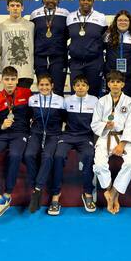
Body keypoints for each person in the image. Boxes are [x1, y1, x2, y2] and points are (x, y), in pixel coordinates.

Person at [0, 66, 32, 220]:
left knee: (16, 155)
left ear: (17, 80)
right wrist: (1, 126)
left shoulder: (27, 94)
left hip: (20, 134)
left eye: (12, 79)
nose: (10, 82)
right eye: (7, 79)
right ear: (2, 81)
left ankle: (7, 194)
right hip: (1, 134)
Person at [49, 74, 99, 215]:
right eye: (77, 85)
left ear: (88, 87)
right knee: (58, 156)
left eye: (83, 85)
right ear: (73, 87)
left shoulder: (95, 101)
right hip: (68, 136)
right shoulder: (67, 101)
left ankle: (88, 193)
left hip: (85, 137)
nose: (80, 87)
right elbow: (62, 119)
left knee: (89, 156)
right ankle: (55, 196)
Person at [91, 70, 131, 214]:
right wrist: (105, 125)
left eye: (118, 82)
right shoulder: (101, 101)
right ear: (108, 84)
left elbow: (130, 125)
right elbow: (94, 124)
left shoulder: (129, 101)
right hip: (105, 137)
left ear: (123, 84)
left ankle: (113, 193)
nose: (115, 84)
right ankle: (110, 190)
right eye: (112, 82)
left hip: (123, 138)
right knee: (99, 164)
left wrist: (122, 144)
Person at [24, 73, 65, 213]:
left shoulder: (60, 100)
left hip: (53, 134)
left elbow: (64, 118)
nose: (44, 87)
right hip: (36, 133)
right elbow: (28, 117)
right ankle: (35, 186)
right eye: (41, 85)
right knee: (29, 155)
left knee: (47, 157)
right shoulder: (32, 100)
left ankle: (37, 189)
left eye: (47, 84)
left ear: (52, 86)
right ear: (37, 86)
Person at [67, 0, 107, 97]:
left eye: (89, 0)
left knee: (93, 94)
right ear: (79, 1)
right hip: (76, 63)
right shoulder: (70, 17)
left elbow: (104, 40)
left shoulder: (101, 17)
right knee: (76, 94)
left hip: (94, 63)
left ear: (93, 1)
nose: (86, 2)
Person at [30, 0, 70, 96]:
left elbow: (68, 34)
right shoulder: (35, 14)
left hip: (59, 58)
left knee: (57, 90)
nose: (51, 0)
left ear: (58, 0)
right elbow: (32, 35)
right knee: (43, 89)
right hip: (40, 58)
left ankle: (57, 108)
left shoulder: (65, 14)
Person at [0, 0, 35, 88]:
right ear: (7, 8)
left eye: (18, 5)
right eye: (12, 5)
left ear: (22, 8)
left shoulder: (31, 26)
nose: (15, 8)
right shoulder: (1, 27)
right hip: (8, 73)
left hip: (26, 72)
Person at [104, 9, 131, 98]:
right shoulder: (107, 36)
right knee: (111, 104)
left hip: (129, 78)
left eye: (126, 20)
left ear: (130, 22)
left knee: (129, 103)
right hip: (111, 78)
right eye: (120, 20)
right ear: (116, 22)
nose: (123, 22)